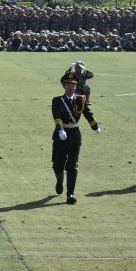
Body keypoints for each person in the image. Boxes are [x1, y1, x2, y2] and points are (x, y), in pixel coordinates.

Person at [51, 72, 101, 204]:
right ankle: (59, 180)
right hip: (60, 135)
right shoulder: (57, 100)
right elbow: (57, 117)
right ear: (64, 85)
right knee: (58, 165)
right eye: (68, 84)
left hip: (74, 135)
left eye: (73, 84)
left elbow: (87, 113)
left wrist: (95, 126)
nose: (71, 87)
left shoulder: (81, 99)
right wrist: (60, 130)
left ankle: (70, 194)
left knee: (72, 165)